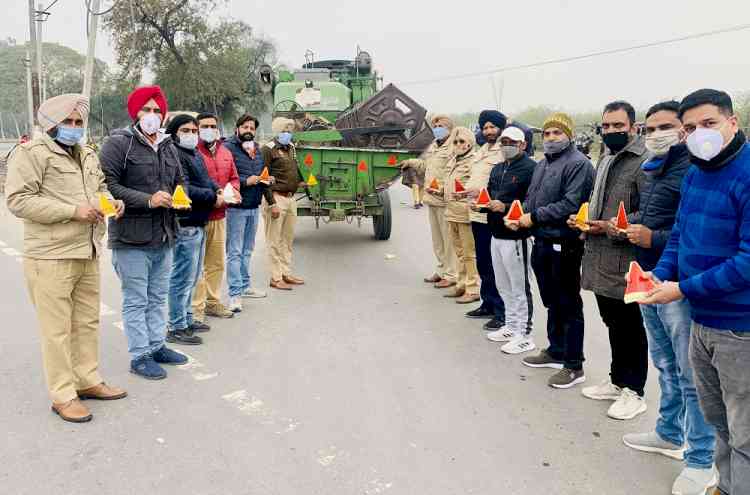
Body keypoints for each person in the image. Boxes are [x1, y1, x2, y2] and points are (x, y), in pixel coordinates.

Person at [643, 89, 750, 495]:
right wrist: (661, 275)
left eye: (709, 124)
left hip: (740, 327)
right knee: (719, 419)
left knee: (745, 430)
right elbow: (680, 238)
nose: (699, 135)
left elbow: (747, 260)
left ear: (732, 122)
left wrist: (682, 288)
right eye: (690, 128)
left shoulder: (746, 173)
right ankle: (725, 485)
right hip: (701, 322)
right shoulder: (695, 172)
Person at [5, 94, 127, 422]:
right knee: (56, 329)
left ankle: (87, 379)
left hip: (87, 249)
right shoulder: (31, 153)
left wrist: (111, 202)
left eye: (78, 122)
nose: (74, 128)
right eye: (67, 122)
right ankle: (63, 394)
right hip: (50, 256)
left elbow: (99, 187)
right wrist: (72, 211)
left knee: (86, 321)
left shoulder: (86, 153)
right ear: (51, 124)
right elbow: (18, 200)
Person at [620, 101, 716, 495]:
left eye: (666, 126)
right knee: (664, 363)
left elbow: (694, 235)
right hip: (653, 277)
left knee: (692, 375)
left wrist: (652, 240)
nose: (655, 133)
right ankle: (669, 431)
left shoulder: (695, 168)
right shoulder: (657, 167)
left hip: (680, 287)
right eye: (650, 127)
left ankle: (701, 457)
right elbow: (670, 227)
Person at [100, 85, 188, 380]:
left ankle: (157, 344)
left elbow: (180, 180)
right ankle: (139, 355)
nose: (152, 116)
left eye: (157, 111)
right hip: (131, 238)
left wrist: (180, 196)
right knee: (136, 298)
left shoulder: (168, 145)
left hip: (164, 235)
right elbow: (109, 185)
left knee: (157, 296)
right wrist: (148, 200)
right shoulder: (119, 144)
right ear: (135, 113)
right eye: (146, 110)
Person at [575, 101, 649, 421]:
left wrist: (609, 227)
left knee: (630, 325)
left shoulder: (644, 161)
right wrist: (586, 222)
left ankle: (635, 390)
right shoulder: (605, 157)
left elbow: (650, 213)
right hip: (599, 253)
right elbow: (598, 202)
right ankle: (617, 380)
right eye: (606, 127)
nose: (612, 132)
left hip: (626, 257)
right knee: (612, 322)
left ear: (632, 127)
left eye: (618, 126)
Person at [513, 113, 594, 389]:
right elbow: (531, 198)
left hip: (565, 242)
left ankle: (574, 364)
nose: (550, 138)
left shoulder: (578, 164)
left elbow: (571, 204)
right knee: (551, 300)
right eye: (546, 134)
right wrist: (520, 214)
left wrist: (533, 216)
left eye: (556, 133)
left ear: (568, 135)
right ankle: (556, 349)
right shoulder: (542, 164)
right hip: (542, 241)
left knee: (568, 303)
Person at [165, 114, 220, 346]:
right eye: (185, 130)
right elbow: (184, 188)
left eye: (193, 130)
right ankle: (176, 326)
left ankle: (187, 319)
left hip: (198, 220)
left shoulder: (193, 152)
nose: (191, 134)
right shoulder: (175, 155)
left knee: (193, 276)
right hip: (185, 221)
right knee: (181, 277)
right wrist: (212, 197)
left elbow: (206, 180)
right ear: (174, 132)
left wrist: (218, 191)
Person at [480, 126, 536, 353]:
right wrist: (482, 203)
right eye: (503, 142)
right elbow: (490, 194)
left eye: (511, 142)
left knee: (519, 285)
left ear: (523, 144)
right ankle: (511, 325)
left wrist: (505, 207)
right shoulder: (497, 168)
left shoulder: (531, 168)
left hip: (517, 236)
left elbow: (533, 201)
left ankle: (524, 332)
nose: (506, 146)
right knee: (503, 284)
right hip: (496, 234)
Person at [192, 112, 241, 320]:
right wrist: (214, 198)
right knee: (196, 266)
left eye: (213, 126)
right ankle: (196, 308)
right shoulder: (192, 152)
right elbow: (187, 185)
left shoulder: (225, 152)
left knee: (216, 263)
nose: (209, 130)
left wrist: (235, 191)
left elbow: (234, 177)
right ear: (197, 129)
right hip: (198, 216)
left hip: (220, 216)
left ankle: (213, 302)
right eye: (205, 126)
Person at [401, 115, 458, 288]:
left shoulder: (454, 147)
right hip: (432, 199)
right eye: (436, 125)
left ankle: (451, 274)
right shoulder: (434, 146)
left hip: (445, 199)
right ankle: (441, 270)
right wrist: (410, 162)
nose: (438, 128)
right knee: (437, 240)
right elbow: (426, 166)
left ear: (450, 128)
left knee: (449, 241)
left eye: (441, 126)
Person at [465, 110, 507, 331]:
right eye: (485, 127)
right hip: (476, 212)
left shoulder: (505, 150)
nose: (489, 131)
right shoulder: (482, 150)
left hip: (492, 213)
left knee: (495, 265)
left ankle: (501, 311)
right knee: (482, 261)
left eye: (493, 126)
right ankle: (487, 303)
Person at [224, 113, 267, 312]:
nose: (249, 131)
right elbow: (224, 177)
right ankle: (234, 295)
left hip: (253, 206)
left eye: (252, 128)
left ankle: (245, 285)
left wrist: (266, 179)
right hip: (236, 208)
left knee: (247, 250)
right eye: (245, 127)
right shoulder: (228, 148)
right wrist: (244, 181)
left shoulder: (256, 149)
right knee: (235, 252)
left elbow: (260, 172)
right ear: (237, 128)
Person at [261, 117, 306, 290]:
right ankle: (275, 277)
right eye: (284, 130)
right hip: (276, 197)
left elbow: (294, 169)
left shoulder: (291, 148)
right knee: (274, 240)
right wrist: (271, 203)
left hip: (290, 197)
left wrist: (300, 182)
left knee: (287, 240)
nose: (288, 133)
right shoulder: (268, 149)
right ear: (277, 131)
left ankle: (286, 273)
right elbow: (263, 178)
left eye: (290, 130)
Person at [444, 127, 481, 304]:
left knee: (469, 253)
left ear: (469, 143)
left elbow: (475, 187)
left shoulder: (474, 161)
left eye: (462, 141)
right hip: (451, 212)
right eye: (456, 142)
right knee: (459, 252)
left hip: (465, 213)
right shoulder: (454, 160)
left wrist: (464, 194)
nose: (458, 144)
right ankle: (461, 283)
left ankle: (473, 288)